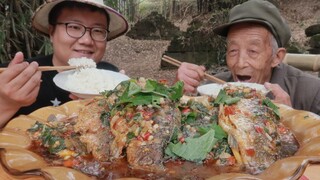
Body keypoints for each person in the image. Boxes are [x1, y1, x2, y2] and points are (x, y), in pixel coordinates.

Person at [176, 0, 320, 114]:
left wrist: (291, 119)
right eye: (233, 51)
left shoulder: (311, 93)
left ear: (276, 57)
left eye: (252, 51)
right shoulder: (212, 91)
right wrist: (179, 95)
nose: (240, 63)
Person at [0, 0, 128, 127]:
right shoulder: (12, 78)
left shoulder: (111, 77)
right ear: (51, 32)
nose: (87, 40)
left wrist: (125, 104)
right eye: (74, 27)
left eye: (98, 31)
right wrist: (6, 103)